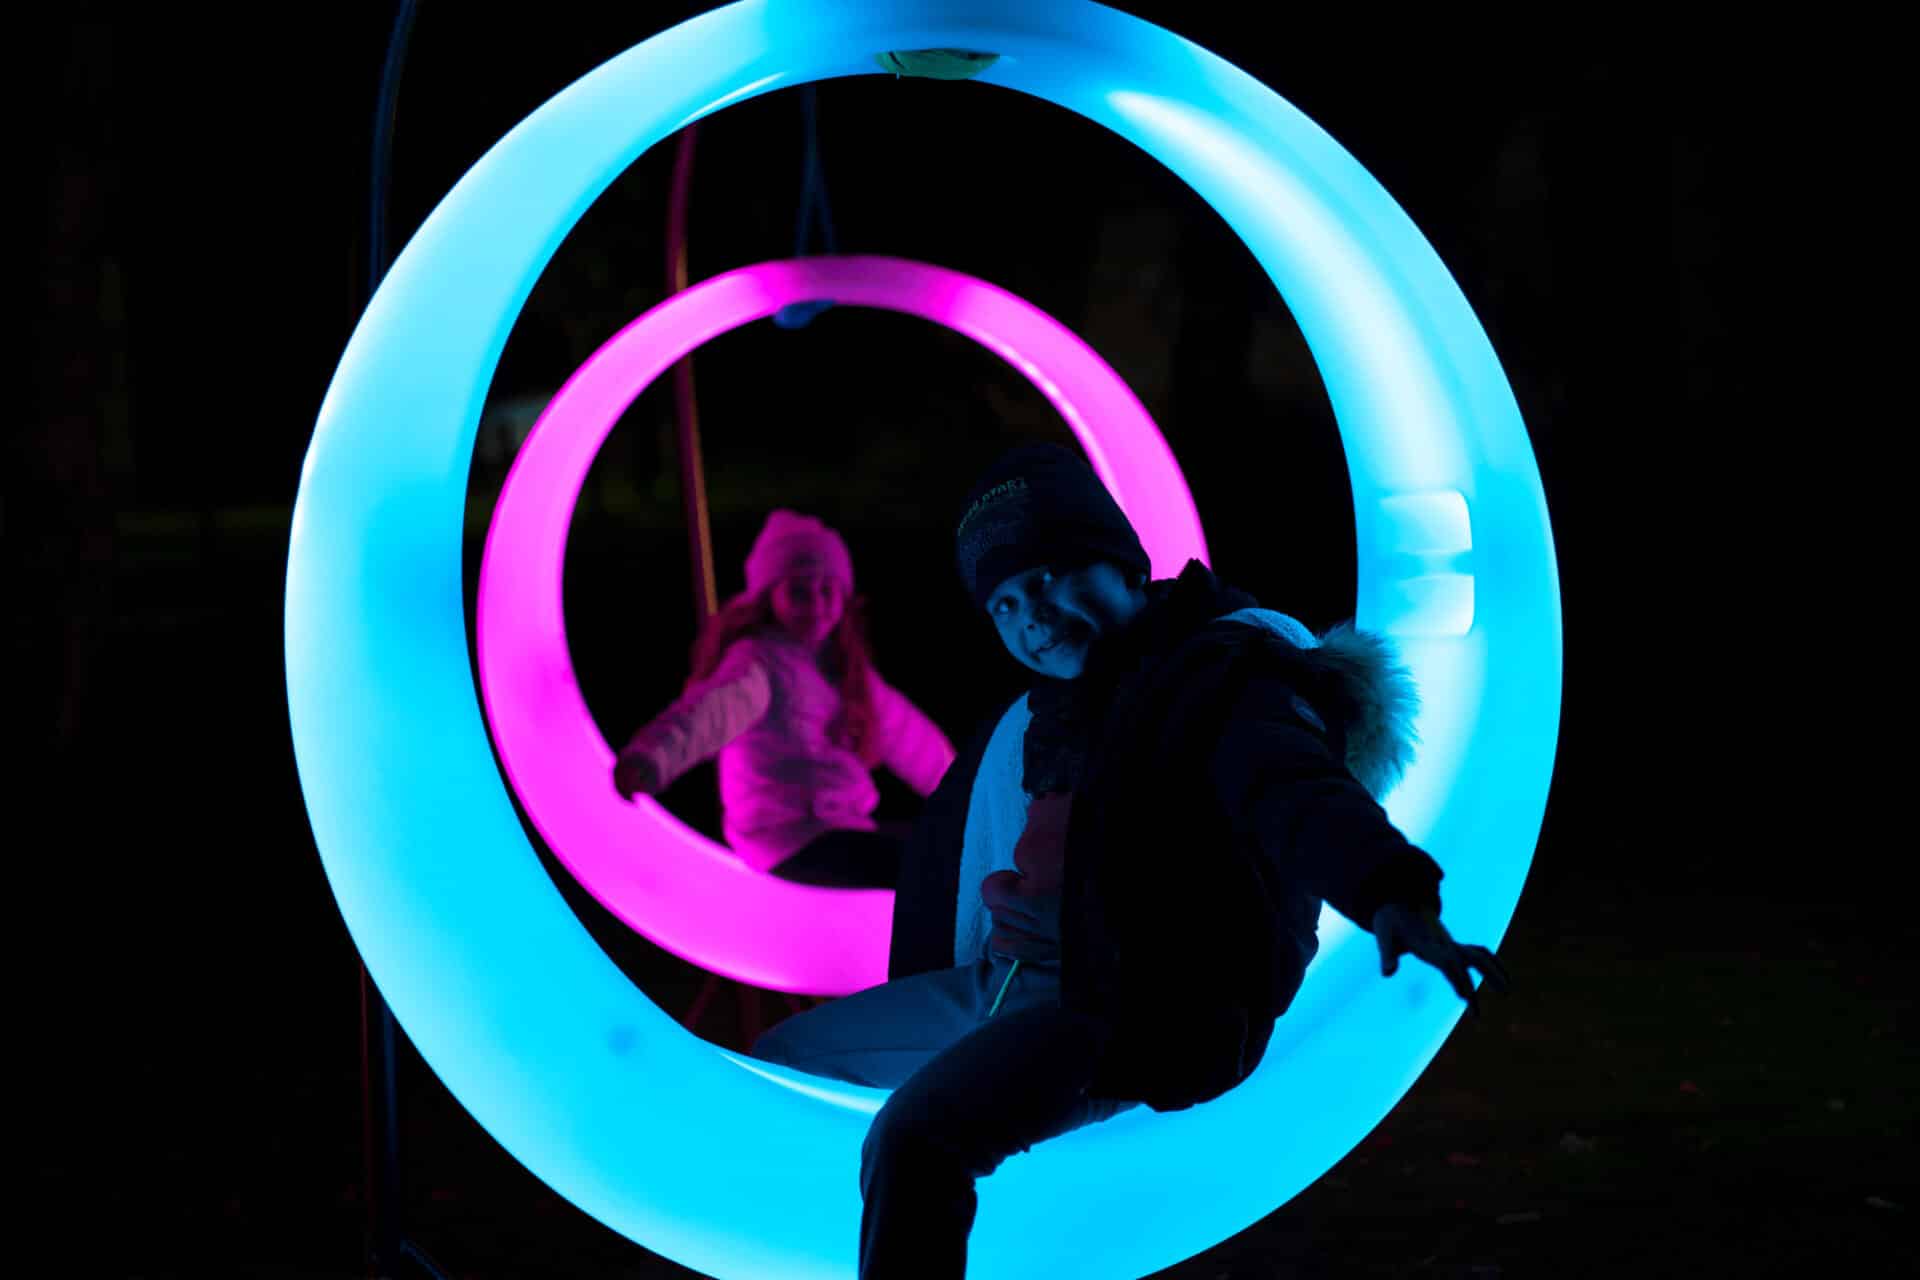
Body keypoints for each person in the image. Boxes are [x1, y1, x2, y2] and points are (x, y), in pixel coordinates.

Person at [749, 444, 1510, 1278]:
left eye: (1046, 577)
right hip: (1006, 984)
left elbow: (1291, 788)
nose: (1029, 615)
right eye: (1003, 603)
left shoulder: (1219, 677)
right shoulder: (1056, 715)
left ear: (1122, 565)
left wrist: (1389, 891)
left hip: (1126, 1005)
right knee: (776, 1071)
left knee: (919, 1135)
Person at [612, 509, 955, 889]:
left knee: (950, 848)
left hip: (842, 827)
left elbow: (913, 739)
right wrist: (652, 757)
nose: (816, 604)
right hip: (786, 838)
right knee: (923, 865)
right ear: (767, 596)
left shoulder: (847, 671)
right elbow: (712, 712)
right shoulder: (758, 661)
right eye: (798, 591)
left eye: (827, 590)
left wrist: (965, 793)